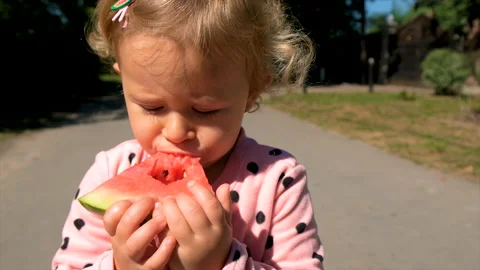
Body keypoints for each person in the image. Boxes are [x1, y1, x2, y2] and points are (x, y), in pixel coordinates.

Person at [51, 0, 325, 269]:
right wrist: (118, 265)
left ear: (252, 91)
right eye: (152, 107)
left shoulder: (278, 180)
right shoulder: (109, 170)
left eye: (205, 110)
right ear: (124, 80)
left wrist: (221, 263)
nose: (177, 132)